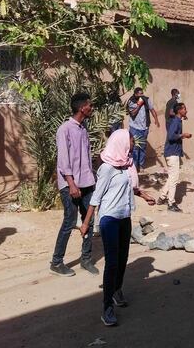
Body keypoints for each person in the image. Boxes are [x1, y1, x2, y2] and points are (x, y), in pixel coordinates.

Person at [80, 129, 156, 326]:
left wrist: (144, 195)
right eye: (130, 139)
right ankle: (107, 308)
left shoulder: (126, 164)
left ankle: (117, 290)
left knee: (123, 258)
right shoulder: (107, 168)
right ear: (121, 142)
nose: (132, 142)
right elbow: (96, 198)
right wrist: (86, 223)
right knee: (112, 262)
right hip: (109, 219)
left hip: (124, 217)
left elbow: (129, 187)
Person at [50, 93, 98, 277]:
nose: (91, 108)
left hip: (86, 182)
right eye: (90, 106)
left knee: (89, 220)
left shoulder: (83, 129)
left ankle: (86, 259)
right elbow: (63, 161)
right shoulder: (65, 130)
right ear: (81, 108)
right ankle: (56, 262)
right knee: (69, 222)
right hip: (70, 184)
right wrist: (71, 184)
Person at [159, 102, 191, 212]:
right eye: (184, 109)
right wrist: (183, 135)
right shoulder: (175, 122)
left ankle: (162, 197)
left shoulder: (178, 121)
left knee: (172, 177)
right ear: (179, 111)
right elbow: (171, 136)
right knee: (174, 179)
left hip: (173, 152)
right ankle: (171, 203)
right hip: (172, 153)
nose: (186, 111)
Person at [126, 87, 160, 171]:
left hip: (145, 128)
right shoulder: (131, 101)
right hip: (135, 128)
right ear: (135, 94)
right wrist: (139, 104)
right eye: (140, 94)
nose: (142, 95)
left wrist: (156, 119)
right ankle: (134, 166)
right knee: (134, 147)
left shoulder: (146, 100)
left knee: (142, 147)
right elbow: (133, 113)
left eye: (142, 93)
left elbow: (152, 109)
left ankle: (141, 165)